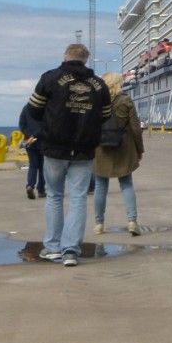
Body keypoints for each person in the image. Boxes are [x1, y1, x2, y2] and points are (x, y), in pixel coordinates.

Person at [26, 43, 111, 267]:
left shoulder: (49, 78)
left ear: (65, 58)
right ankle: (71, 251)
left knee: (54, 196)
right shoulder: (99, 85)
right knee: (78, 199)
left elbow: (33, 109)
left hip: (54, 147)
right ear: (86, 60)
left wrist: (49, 122)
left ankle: (53, 248)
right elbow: (105, 115)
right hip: (84, 149)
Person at [93, 72, 145, 236]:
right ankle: (132, 221)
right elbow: (135, 128)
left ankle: (99, 224)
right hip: (124, 147)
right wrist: (139, 149)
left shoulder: (96, 102)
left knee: (100, 186)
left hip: (101, 148)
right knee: (127, 184)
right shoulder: (125, 100)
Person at [18, 104, 46, 198]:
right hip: (43, 141)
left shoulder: (26, 108)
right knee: (43, 167)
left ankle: (30, 185)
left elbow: (22, 124)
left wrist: (30, 136)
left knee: (33, 165)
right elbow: (46, 125)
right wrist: (36, 135)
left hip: (30, 141)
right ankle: (41, 190)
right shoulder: (44, 108)